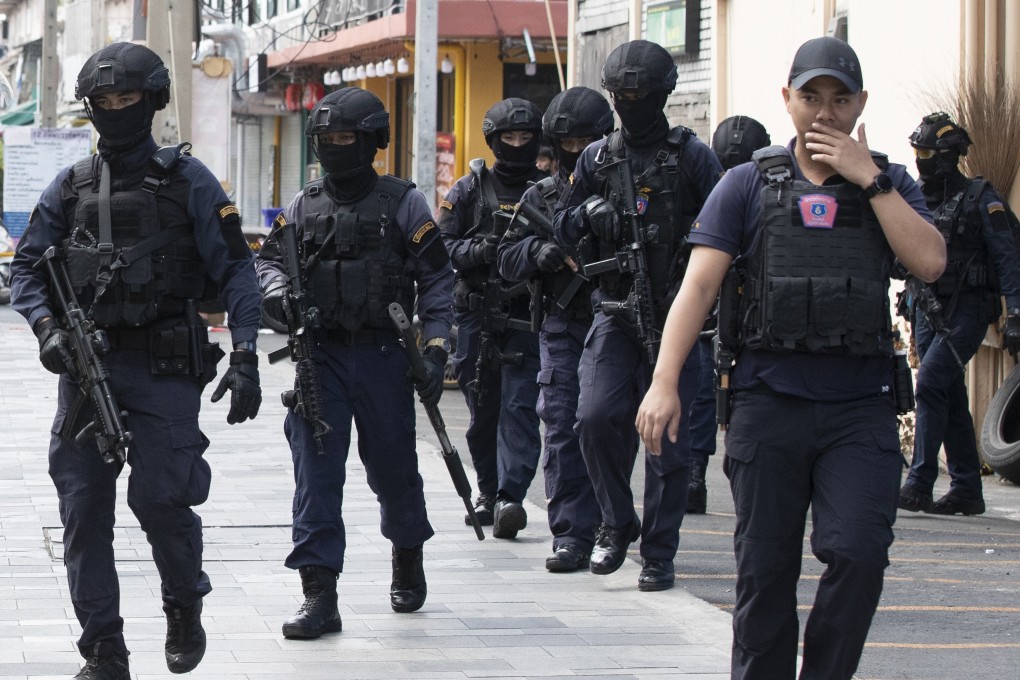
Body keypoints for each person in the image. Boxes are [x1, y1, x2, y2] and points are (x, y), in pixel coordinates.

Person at [635, 36, 946, 679]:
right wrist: (664, 382)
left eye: (839, 99)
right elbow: (697, 287)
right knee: (764, 571)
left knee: (859, 553)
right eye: (811, 97)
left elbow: (931, 262)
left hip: (859, 409)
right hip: (768, 404)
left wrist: (872, 180)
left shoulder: (890, 182)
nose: (825, 113)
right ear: (787, 100)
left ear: (861, 104)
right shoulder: (748, 184)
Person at [9, 42, 263, 680]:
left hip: (163, 364)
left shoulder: (191, 182)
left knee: (159, 499)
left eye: (128, 99)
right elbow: (27, 270)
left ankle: (183, 603)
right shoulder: (69, 186)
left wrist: (248, 353)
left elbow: (236, 269)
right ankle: (104, 649)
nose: (117, 111)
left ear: (152, 102)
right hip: (86, 368)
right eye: (105, 102)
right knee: (82, 508)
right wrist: (46, 331)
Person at [255, 87, 454, 637]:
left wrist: (435, 348)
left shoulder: (404, 203)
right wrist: (274, 294)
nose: (336, 148)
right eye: (327, 140)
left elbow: (438, 279)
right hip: (319, 359)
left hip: (384, 357)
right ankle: (319, 594)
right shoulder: (302, 204)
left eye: (347, 138)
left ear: (371, 142)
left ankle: (407, 551)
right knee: (316, 477)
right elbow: (268, 263)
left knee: (393, 472)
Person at [555, 39, 722, 591]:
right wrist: (589, 212)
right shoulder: (597, 158)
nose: (629, 103)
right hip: (614, 309)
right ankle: (616, 520)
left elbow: (728, 232)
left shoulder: (692, 156)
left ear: (662, 94)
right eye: (620, 95)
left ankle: (659, 553)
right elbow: (561, 225)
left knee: (668, 445)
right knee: (594, 417)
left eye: (639, 94)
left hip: (677, 315)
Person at [496, 86, 614, 571]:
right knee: (562, 422)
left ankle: (612, 520)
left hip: (618, 319)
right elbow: (506, 257)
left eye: (587, 140)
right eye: (567, 143)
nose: (577, 151)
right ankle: (570, 534)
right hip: (563, 323)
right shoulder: (541, 195)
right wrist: (536, 254)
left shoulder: (624, 188)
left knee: (606, 425)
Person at [897, 112, 1020, 516]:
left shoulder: (982, 198)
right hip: (927, 309)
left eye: (927, 152)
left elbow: (1008, 258)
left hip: (967, 310)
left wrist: (1014, 313)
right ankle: (967, 487)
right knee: (947, 392)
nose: (920, 159)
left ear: (949, 157)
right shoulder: (915, 196)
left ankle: (919, 482)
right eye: (917, 151)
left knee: (931, 383)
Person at [439, 98, 546, 539]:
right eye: (509, 138)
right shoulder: (467, 190)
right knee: (482, 409)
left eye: (525, 138)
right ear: (493, 140)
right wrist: (480, 250)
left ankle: (511, 497)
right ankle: (487, 491)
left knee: (520, 408)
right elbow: (439, 250)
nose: (517, 145)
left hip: (526, 316)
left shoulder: (548, 189)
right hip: (476, 315)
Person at [683, 115, 772, 515]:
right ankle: (694, 473)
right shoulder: (711, 186)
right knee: (703, 393)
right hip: (711, 309)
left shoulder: (769, 188)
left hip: (756, 314)